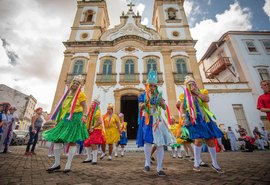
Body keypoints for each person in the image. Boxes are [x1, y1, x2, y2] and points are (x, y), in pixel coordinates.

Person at [43, 75, 89, 173]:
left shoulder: (81, 94)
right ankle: (57, 163)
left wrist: (84, 116)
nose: (75, 84)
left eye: (77, 83)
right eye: (74, 83)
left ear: (79, 86)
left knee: (72, 140)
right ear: (71, 83)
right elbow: (62, 107)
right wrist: (58, 119)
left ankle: (68, 165)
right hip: (65, 118)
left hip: (76, 117)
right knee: (57, 139)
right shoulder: (67, 94)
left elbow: (85, 106)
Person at [136, 70, 176, 177]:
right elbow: (140, 106)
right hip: (147, 119)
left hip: (157, 120)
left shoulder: (159, 95)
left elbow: (163, 106)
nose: (152, 87)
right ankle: (147, 163)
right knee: (148, 142)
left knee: (160, 143)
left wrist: (160, 102)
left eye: (154, 86)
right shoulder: (143, 95)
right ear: (147, 86)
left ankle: (159, 168)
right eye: (151, 86)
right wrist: (148, 101)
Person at [181, 76, 224, 173]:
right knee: (198, 139)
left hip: (205, 119)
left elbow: (206, 99)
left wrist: (197, 92)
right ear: (187, 86)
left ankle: (214, 163)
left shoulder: (201, 93)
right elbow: (182, 107)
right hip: (195, 120)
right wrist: (184, 116)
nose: (191, 86)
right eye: (189, 85)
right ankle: (196, 162)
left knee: (210, 141)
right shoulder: (186, 97)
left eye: (193, 84)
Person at [83, 98, 105, 165]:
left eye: (93, 103)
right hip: (89, 129)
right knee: (87, 143)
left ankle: (94, 159)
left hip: (96, 129)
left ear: (96, 105)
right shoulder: (90, 112)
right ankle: (89, 157)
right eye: (91, 103)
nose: (91, 104)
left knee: (93, 143)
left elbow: (99, 122)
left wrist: (93, 127)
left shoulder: (97, 112)